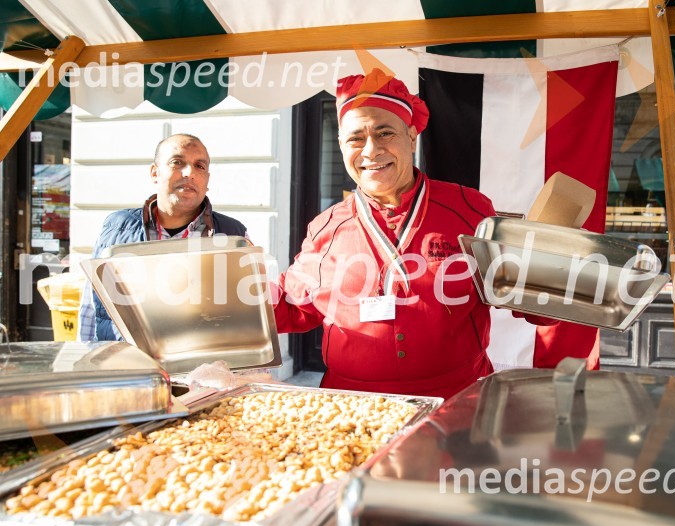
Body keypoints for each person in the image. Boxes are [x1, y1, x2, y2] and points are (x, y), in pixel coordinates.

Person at [273, 69, 553, 399]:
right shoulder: (326, 227)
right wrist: (227, 297)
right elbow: (293, 305)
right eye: (355, 139)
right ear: (341, 145)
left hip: (456, 399)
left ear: (411, 137)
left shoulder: (469, 209)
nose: (370, 150)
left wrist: (559, 271)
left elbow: (527, 295)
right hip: (350, 405)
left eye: (384, 133)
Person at [78, 134, 248, 341]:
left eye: (199, 166)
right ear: (154, 172)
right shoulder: (116, 227)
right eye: (177, 162)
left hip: (201, 360)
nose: (189, 173)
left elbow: (248, 318)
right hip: (125, 359)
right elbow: (91, 307)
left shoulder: (233, 235)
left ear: (207, 180)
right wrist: (85, 355)